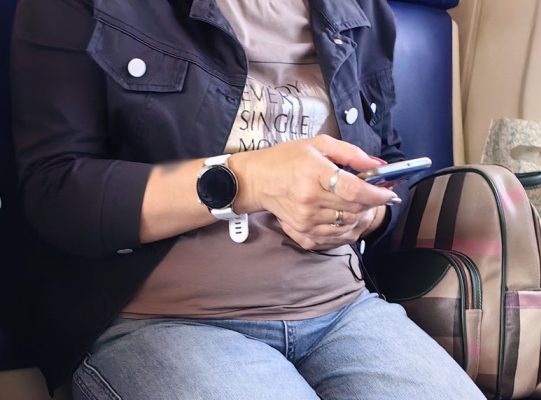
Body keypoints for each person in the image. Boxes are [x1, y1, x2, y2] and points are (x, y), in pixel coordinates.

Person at [11, 0, 485, 398]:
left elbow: (386, 157)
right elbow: (58, 191)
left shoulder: (363, 10)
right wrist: (248, 180)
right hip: (166, 319)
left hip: (345, 310)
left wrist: (367, 213)